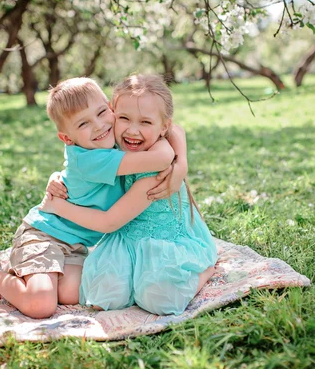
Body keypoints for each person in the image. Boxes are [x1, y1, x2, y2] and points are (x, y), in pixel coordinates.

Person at [0, 77, 188, 319]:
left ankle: (30, 273)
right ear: (67, 138)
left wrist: (182, 164)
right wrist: (178, 166)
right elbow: (161, 156)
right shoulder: (90, 159)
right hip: (44, 234)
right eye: (83, 123)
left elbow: (175, 129)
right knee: (40, 305)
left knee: (74, 293)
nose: (98, 126)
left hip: (76, 245)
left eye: (102, 112)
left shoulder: (114, 135)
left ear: (111, 108)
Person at [40, 75, 218, 316]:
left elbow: (173, 134)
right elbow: (79, 163)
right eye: (124, 118)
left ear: (162, 127)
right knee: (103, 292)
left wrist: (181, 163)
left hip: (166, 239)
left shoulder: (156, 161)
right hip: (126, 237)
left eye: (145, 122)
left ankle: (205, 269)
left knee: (158, 299)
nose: (133, 131)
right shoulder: (109, 141)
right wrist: (57, 176)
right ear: (112, 112)